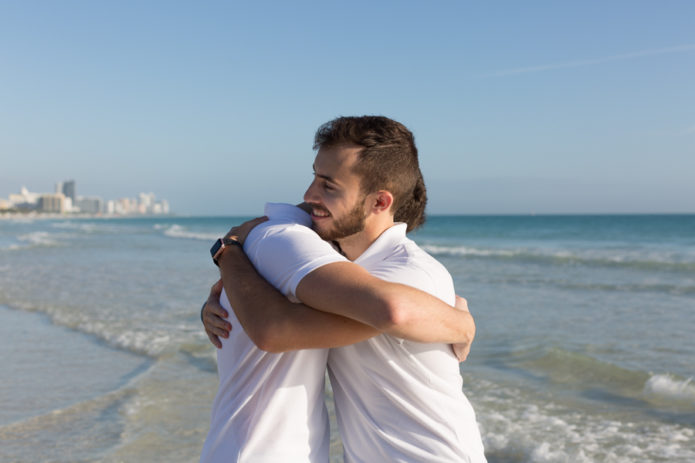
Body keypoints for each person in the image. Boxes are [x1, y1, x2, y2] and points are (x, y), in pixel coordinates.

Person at [200, 116, 486, 462]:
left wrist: (463, 324)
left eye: (328, 186)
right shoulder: (337, 262)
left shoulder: (411, 275)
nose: (309, 195)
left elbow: (277, 329)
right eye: (314, 177)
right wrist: (232, 263)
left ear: (380, 203)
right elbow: (287, 226)